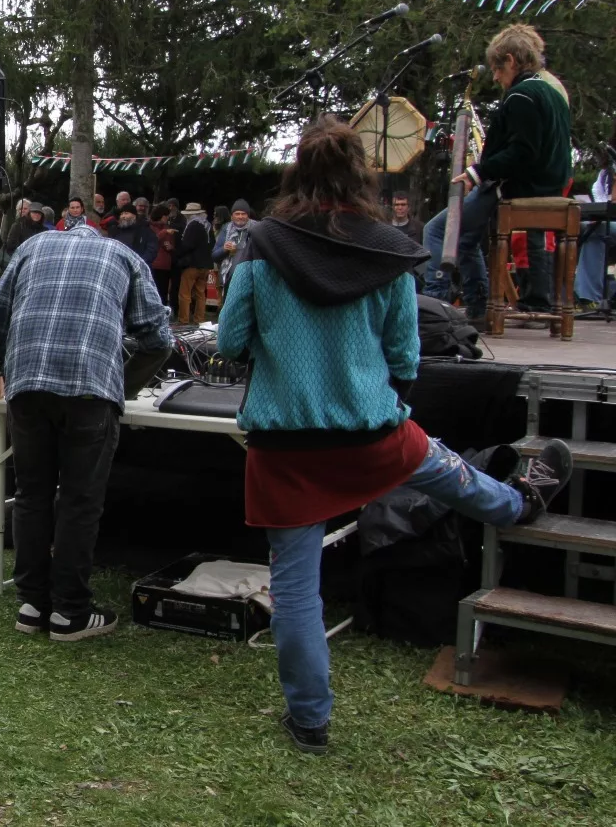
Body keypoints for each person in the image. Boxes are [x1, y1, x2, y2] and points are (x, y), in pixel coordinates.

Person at [216, 117, 571, 755]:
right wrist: (374, 396)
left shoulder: (261, 245)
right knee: (445, 469)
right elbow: (406, 357)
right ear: (362, 176)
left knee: (295, 583)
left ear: (296, 172)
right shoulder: (386, 251)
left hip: (284, 443)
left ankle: (310, 721)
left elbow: (231, 342)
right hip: (369, 427)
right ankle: (520, 502)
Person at [0, 221, 173, 642]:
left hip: (26, 388)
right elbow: (158, 339)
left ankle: (31, 606)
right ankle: (71, 613)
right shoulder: (125, 256)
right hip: (89, 393)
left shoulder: (31, 247)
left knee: (31, 496)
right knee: (79, 502)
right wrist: (122, 385)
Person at [422, 24, 572, 322]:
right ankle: (479, 309)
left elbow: (522, 153)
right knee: (466, 239)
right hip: (545, 185)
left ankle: (432, 307)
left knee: (437, 230)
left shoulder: (521, 96)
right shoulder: (552, 93)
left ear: (511, 61)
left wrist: (476, 172)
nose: (495, 76)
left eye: (497, 68)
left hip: (519, 187)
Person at [173, 202, 214, 325]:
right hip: (206, 264)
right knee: (200, 293)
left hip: (192, 264)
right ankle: (199, 319)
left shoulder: (192, 226)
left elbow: (187, 245)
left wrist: (176, 251)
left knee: (185, 293)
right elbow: (212, 244)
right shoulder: (207, 226)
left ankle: (183, 319)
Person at [211, 198, 254, 293]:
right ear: (232, 216)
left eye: (243, 214)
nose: (240, 217)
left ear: (248, 215)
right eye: (237, 214)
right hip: (229, 278)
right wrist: (224, 249)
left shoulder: (256, 227)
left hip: (251, 278)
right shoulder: (226, 228)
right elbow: (214, 256)